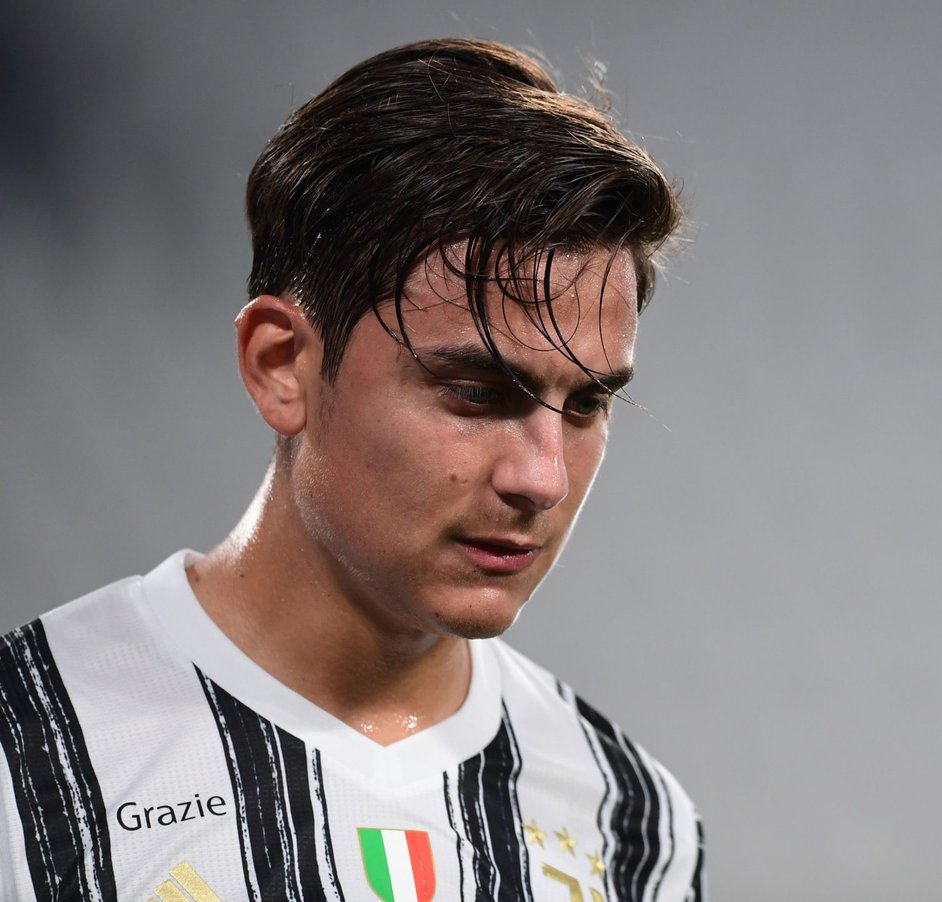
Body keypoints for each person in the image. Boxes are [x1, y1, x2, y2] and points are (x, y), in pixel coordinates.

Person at [0, 37, 702, 901]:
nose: (542, 478)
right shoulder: (23, 758)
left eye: (587, 404)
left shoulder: (634, 824)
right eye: (476, 392)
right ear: (281, 365)